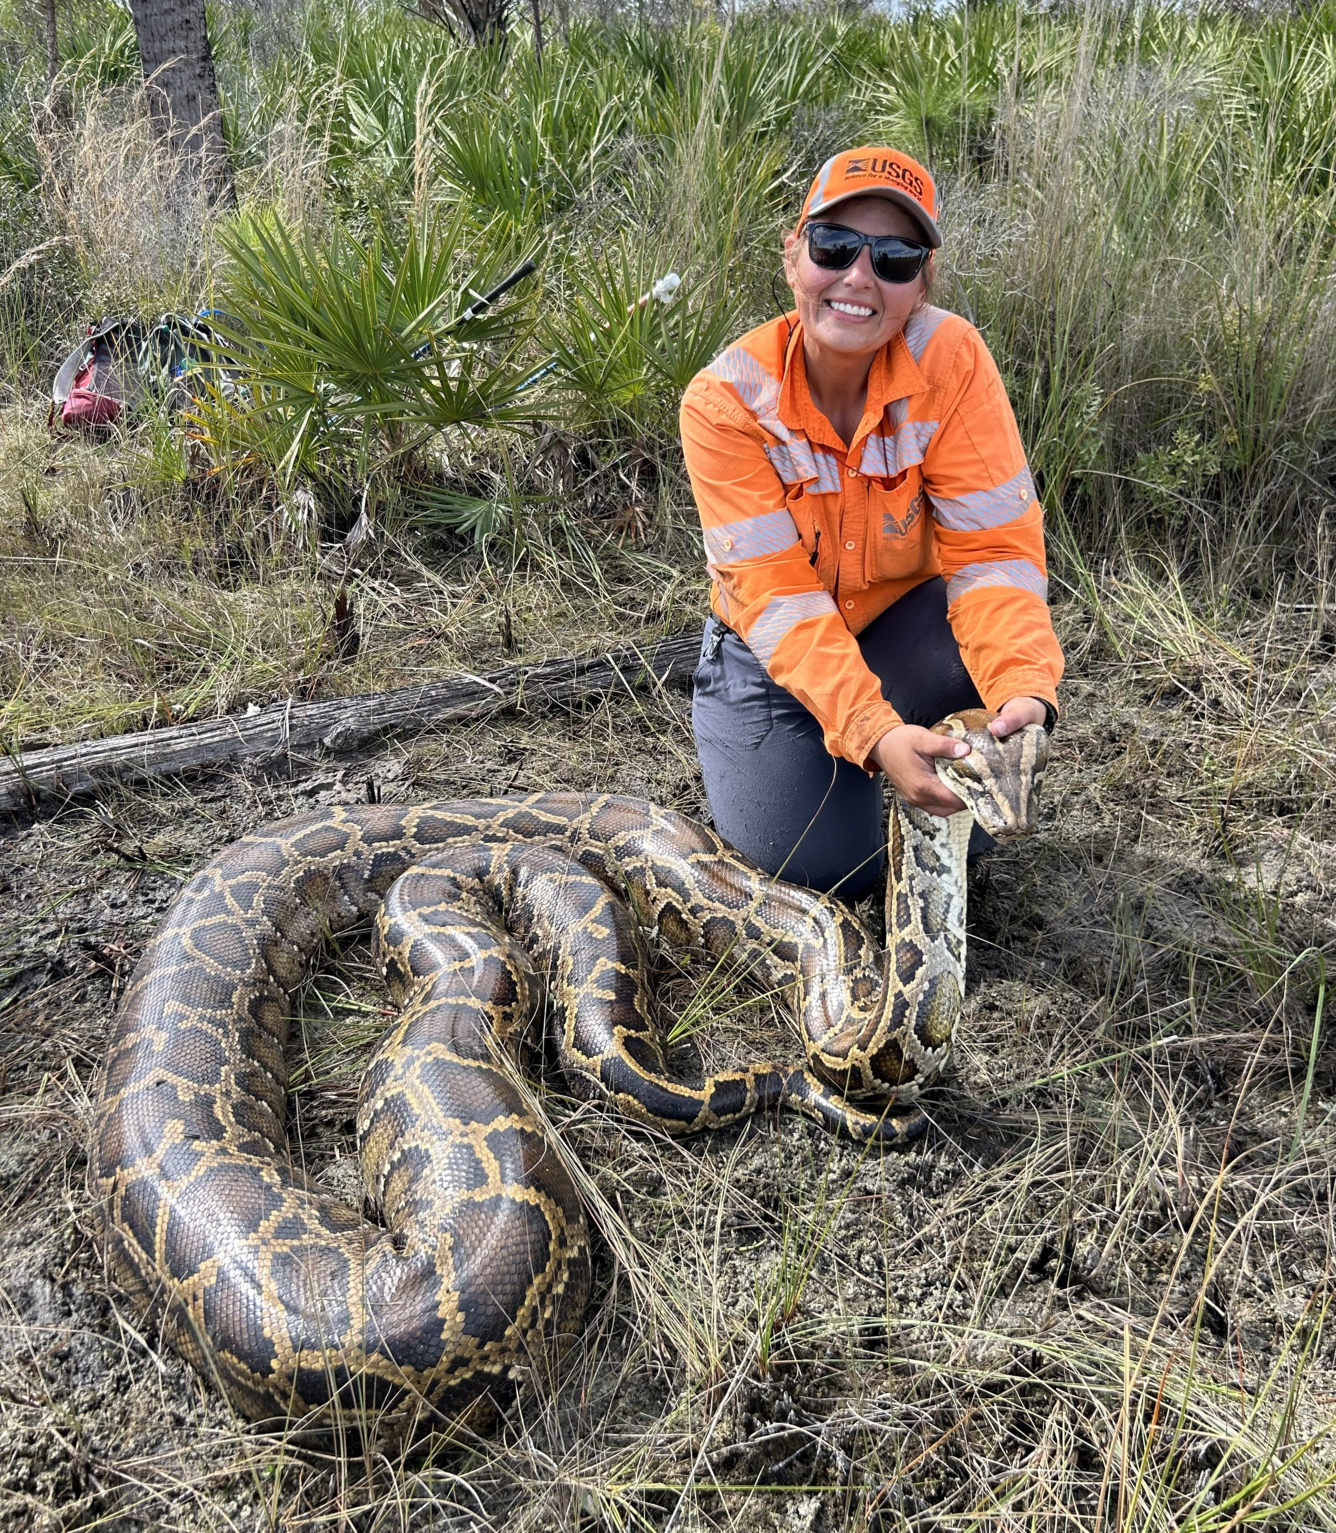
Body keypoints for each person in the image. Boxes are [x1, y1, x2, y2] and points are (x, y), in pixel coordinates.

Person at [681, 146, 1064, 899]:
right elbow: (778, 600)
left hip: (904, 626)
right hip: (772, 656)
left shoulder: (953, 360)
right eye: (834, 247)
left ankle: (953, 801)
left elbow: (992, 554)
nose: (860, 277)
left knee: (987, 724)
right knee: (830, 870)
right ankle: (864, 769)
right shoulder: (725, 402)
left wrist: (1024, 688)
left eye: (895, 259)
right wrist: (875, 732)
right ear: (794, 256)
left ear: (921, 285)